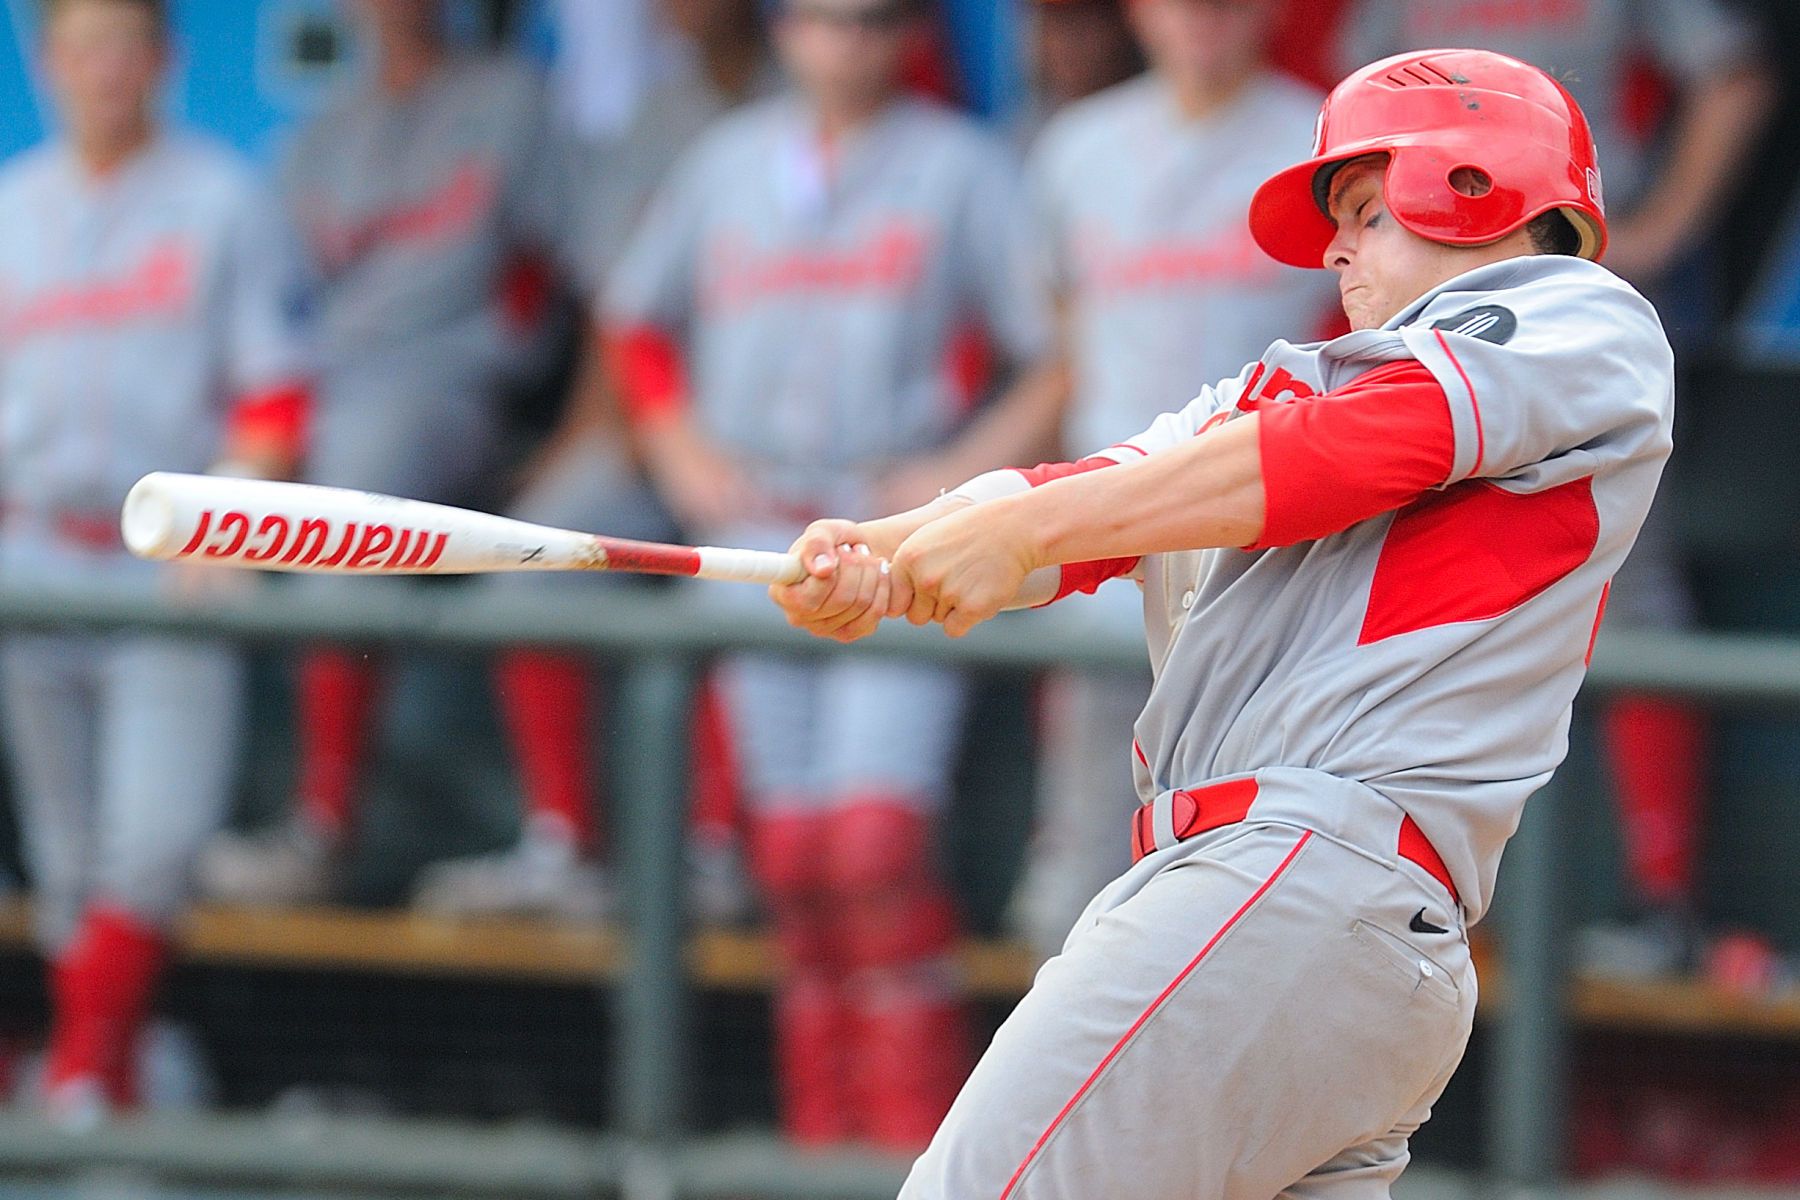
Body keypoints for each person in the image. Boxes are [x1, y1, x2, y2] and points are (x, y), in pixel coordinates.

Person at [773, 48, 1673, 1197]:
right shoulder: (1296, 384)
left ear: (1470, 184)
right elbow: (1103, 493)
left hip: (1296, 874)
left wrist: (1028, 530)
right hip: (1318, 927)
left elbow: (1343, 455)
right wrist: (885, 553)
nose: (1336, 251)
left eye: (1361, 211)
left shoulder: (1578, 318)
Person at [606, 0, 1060, 1151]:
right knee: (795, 860)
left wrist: (962, 469)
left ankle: (920, 1148)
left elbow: (1056, 344)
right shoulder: (724, 160)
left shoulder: (959, 165)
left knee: (872, 846)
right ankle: (827, 1145)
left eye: (870, 21)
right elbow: (633, 325)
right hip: (755, 524)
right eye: (821, 19)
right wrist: (679, 451)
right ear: (784, 32)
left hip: (884, 530)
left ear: (905, 36)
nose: (843, 43)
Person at [1334, 0, 1774, 982]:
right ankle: (1432, 902)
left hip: (1579, 307)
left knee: (1626, 594)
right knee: (1434, 596)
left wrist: (1658, 228)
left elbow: (1737, 75)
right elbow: (1348, 136)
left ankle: (1660, 909)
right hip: (1437, 313)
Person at [404, 0, 782, 921]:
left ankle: (714, 856)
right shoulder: (657, 115)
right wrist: (591, 440)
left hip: (791, 448)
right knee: (527, 572)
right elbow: (624, 305)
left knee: (746, 580)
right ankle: (562, 841)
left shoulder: (815, 93)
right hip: (662, 431)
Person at [0, 0, 308, 1122]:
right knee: (67, 863)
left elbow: (274, 390)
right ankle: (110, 1085)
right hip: (34, 553)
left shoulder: (222, 197)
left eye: (122, 45)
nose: (100, 71)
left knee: (156, 845)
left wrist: (231, 519)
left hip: (166, 560)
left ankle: (79, 1082)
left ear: (164, 59)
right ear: (47, 64)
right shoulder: (11, 209)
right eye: (79, 48)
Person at [196, 0, 569, 908]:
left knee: (344, 491)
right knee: (199, 510)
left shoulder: (514, 100)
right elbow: (269, 321)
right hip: (334, 389)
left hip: (451, 386)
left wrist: (573, 434)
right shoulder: (323, 135)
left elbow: (603, 281)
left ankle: (322, 827)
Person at [1003, 0, 1338, 961]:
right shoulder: (1075, 148)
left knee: (1246, 893)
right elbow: (1061, 359)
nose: (1204, 17)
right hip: (1108, 543)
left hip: (1273, 557)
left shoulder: (1321, 141)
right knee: (1082, 877)